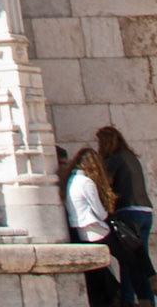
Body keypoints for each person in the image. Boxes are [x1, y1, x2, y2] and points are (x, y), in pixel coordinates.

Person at [98, 127, 156, 306]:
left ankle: (128, 300)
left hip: (128, 213)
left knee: (128, 260)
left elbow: (105, 187)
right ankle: (148, 299)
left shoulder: (113, 160)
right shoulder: (131, 158)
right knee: (141, 258)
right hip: (146, 211)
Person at [66, 145, 122, 307]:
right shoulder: (86, 182)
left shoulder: (71, 180)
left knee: (98, 274)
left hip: (81, 232)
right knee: (127, 258)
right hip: (96, 231)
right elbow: (100, 212)